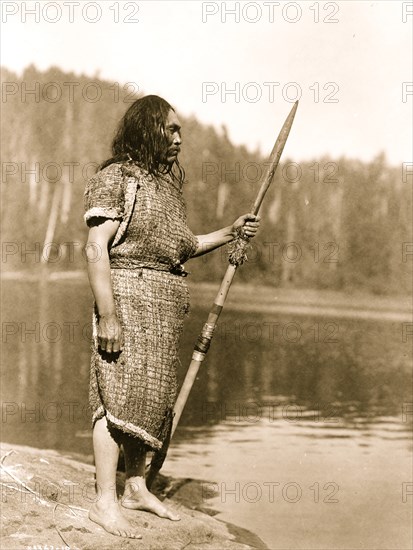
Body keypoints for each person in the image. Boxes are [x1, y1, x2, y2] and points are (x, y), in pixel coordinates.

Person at [84, 94, 260, 538]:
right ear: (148, 130)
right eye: (172, 129)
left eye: (181, 130)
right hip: (124, 299)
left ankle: (135, 487)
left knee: (150, 401)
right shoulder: (117, 178)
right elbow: (95, 248)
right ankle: (104, 502)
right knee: (114, 397)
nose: (180, 137)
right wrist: (108, 315)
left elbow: (183, 247)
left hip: (161, 311)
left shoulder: (164, 188)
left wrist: (230, 231)